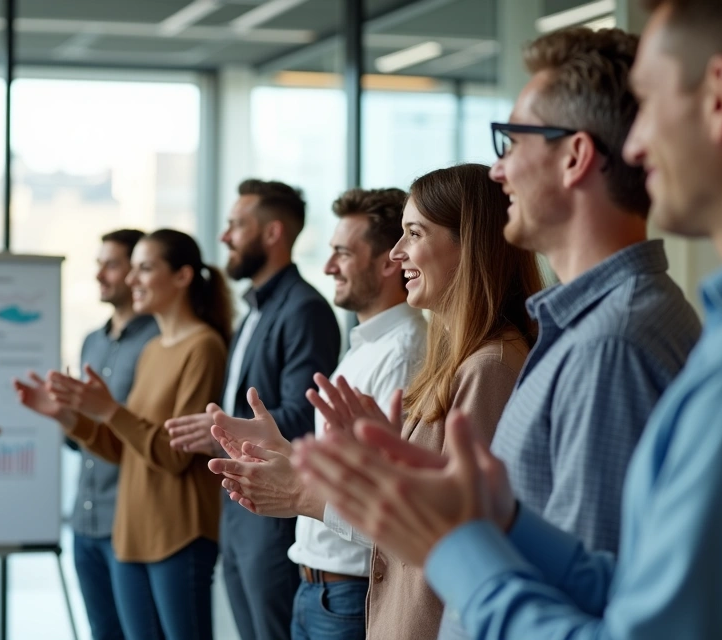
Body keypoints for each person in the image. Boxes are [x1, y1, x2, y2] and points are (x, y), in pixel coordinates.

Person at [294, 0, 722, 637]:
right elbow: (639, 584)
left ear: (720, 97)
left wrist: (456, 549)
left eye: (649, 104)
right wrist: (493, 522)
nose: (636, 146)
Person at [214, 165, 543, 638]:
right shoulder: (457, 360)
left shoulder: (488, 367)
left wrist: (303, 493)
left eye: (414, 233)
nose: (397, 252)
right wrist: (287, 454)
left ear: (468, 245)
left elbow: (452, 533)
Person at [482, 28, 700, 575]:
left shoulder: (609, 347)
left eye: (510, 142)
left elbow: (582, 596)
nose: (497, 169)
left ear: (575, 156)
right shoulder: (600, 325)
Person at [207, 187, 426, 640]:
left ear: (389, 262)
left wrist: (297, 482)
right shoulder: (366, 346)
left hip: (348, 589)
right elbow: (346, 467)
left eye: (342, 254)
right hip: (319, 586)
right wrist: (281, 449)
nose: (328, 268)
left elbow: (395, 502)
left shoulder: (403, 352)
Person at [15, 229, 230, 640]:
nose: (132, 280)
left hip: (177, 532)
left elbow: (175, 454)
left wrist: (109, 410)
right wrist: (69, 417)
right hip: (130, 533)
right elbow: (124, 448)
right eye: (131, 270)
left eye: (144, 269)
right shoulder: (154, 350)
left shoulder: (203, 347)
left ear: (183, 277)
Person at [163, 179, 341, 640]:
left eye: (236, 225)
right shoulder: (254, 312)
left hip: (274, 515)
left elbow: (306, 420)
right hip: (241, 510)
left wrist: (221, 431)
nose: (224, 237)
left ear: (272, 234)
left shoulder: (304, 309)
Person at [68, 229, 160, 640]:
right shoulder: (91, 341)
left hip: (129, 522)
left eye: (111, 264)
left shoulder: (159, 343)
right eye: (99, 264)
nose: (100, 275)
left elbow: (149, 434)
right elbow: (82, 435)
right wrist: (65, 417)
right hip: (83, 523)